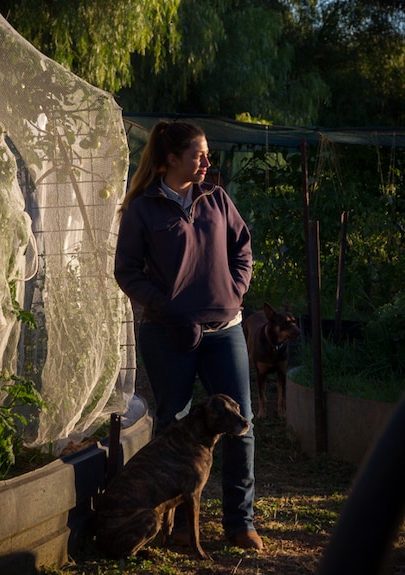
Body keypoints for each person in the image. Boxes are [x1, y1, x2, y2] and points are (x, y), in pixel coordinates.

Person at [113, 121, 263, 551]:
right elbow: (127, 272)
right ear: (172, 158)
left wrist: (235, 291)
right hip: (166, 333)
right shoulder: (143, 208)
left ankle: (240, 521)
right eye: (199, 154)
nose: (207, 162)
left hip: (225, 331)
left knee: (241, 426)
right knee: (172, 424)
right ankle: (177, 526)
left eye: (207, 154)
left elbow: (243, 248)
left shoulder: (216, 199)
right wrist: (164, 305)